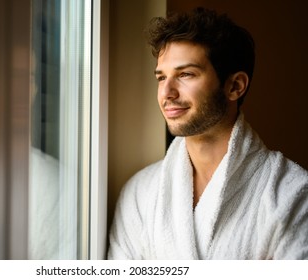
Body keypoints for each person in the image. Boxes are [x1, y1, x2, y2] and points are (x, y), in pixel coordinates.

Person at [108, 7, 308, 260]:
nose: (166, 93)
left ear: (234, 86)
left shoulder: (292, 195)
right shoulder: (140, 193)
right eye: (161, 77)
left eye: (186, 74)